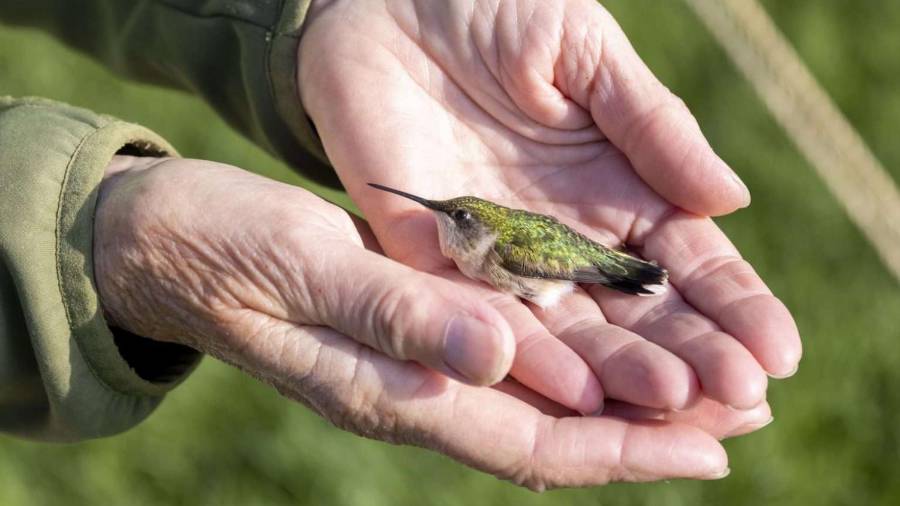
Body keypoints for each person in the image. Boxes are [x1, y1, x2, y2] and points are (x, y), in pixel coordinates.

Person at [0, 0, 801, 491]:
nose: (439, 225)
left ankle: (635, 278)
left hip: (567, 263)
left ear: (480, 232)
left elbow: (544, 257)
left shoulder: (504, 252)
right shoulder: (472, 234)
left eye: (457, 223)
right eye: (449, 218)